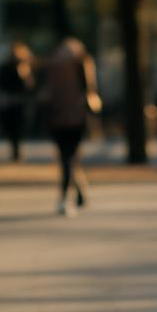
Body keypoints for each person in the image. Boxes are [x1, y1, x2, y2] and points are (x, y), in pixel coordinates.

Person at [39, 37, 100, 217]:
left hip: (57, 118)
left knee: (66, 158)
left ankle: (69, 196)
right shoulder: (83, 63)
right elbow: (90, 89)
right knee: (71, 157)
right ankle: (75, 193)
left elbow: (43, 92)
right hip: (75, 117)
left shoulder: (50, 65)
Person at [0, 41, 36, 162]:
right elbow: (0, 83)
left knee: (18, 128)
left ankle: (16, 152)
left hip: (19, 103)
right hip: (9, 102)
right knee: (11, 128)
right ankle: (15, 151)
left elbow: (29, 86)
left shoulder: (24, 67)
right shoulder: (5, 67)